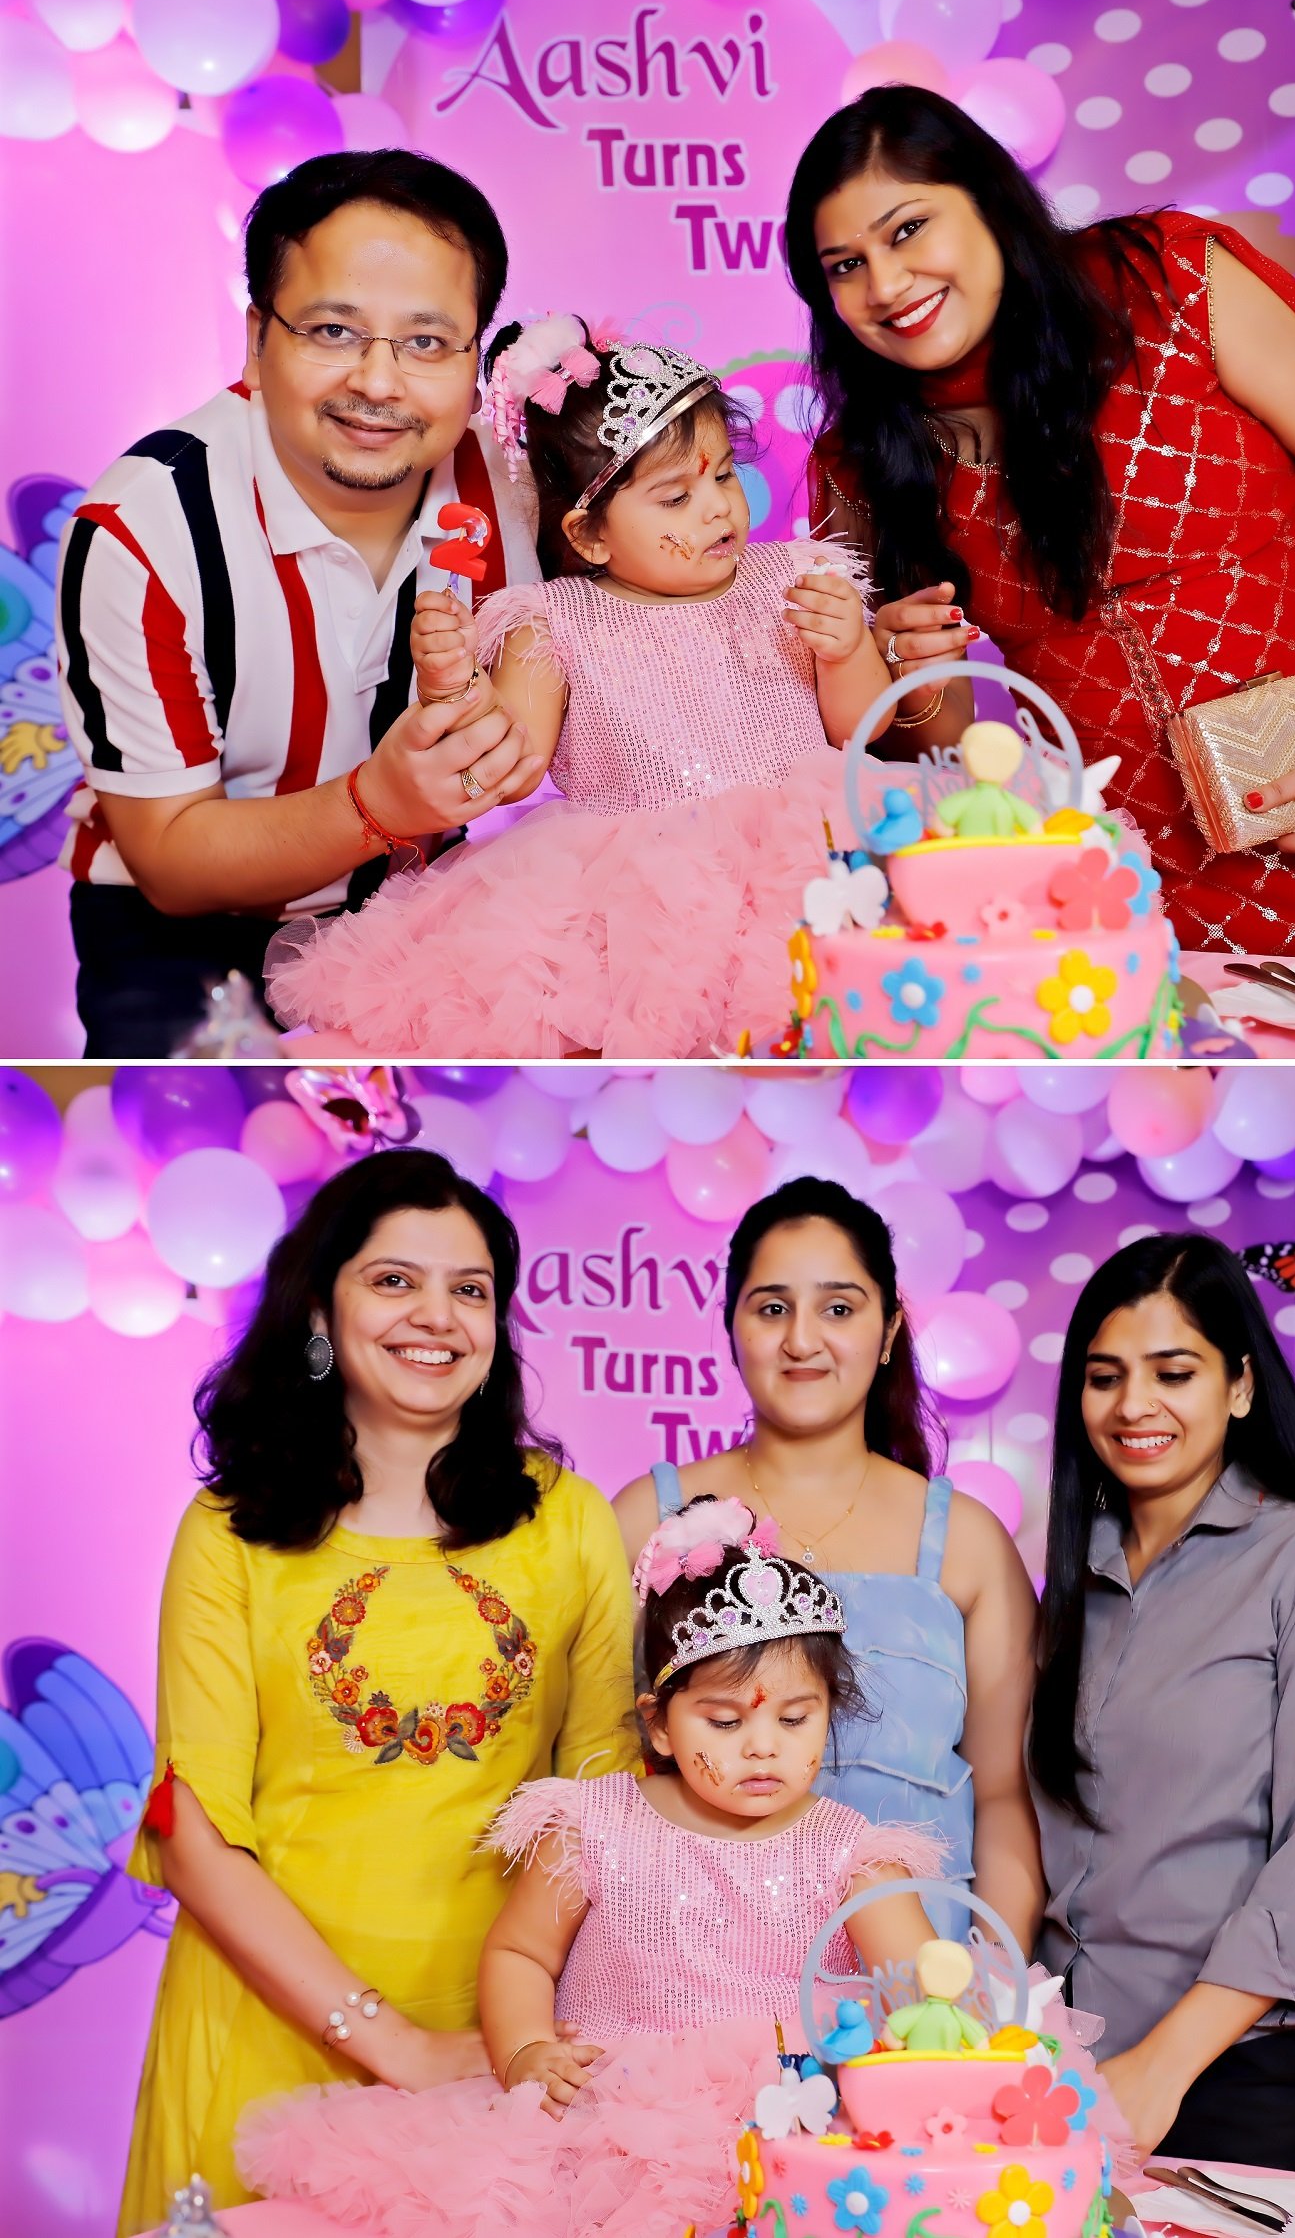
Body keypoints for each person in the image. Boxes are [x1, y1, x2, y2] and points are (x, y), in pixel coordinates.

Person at [784, 85, 1295, 963]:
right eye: (844, 265)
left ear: (989, 200)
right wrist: (912, 672)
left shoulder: (1166, 285)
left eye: (906, 230)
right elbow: (935, 754)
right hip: (1124, 895)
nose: (886, 286)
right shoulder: (867, 460)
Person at [118, 1150, 636, 2234]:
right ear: (320, 1306)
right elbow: (196, 1833)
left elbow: (604, 1807)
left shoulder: (569, 1520)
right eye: (395, 1280)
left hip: (495, 2046)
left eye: (470, 1289)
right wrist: (393, 2043)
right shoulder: (230, 1532)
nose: (436, 1316)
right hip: (264, 2032)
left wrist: (513, 2033)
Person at [236, 1496, 942, 2238]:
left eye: (795, 1719)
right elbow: (520, 1952)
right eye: (725, 1721)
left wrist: (928, 2019)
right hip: (602, 2134)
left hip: (788, 2137)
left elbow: (927, 1994)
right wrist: (523, 2048)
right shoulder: (595, 1825)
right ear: (659, 1725)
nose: (763, 1745)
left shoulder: (849, 1854)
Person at [262, 318, 901, 1058]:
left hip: (807, 854)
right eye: (675, 497)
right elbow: (508, 768)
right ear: (590, 534)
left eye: (724, 475)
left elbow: (861, 728)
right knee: (655, 1040)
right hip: (643, 901)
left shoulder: (795, 578)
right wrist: (450, 682)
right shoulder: (552, 623)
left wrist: (846, 649)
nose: (718, 507)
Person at [57, 149, 541, 1058]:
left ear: (476, 356)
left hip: (421, 911)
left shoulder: (516, 482)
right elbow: (169, 859)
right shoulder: (146, 528)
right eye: (333, 330)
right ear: (256, 339)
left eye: (427, 342)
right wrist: (378, 803)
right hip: (191, 937)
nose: (379, 384)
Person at [1029, 1233, 1295, 2173]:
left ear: (1239, 1385)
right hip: (1066, 2059)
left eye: (1174, 1372)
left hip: (1244, 2063)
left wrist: (1164, 2064)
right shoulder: (1071, 1583)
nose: (1134, 1404)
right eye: (1105, 1376)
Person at [614, 1175, 1044, 1949]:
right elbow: (603, 1777)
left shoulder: (968, 1541)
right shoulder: (648, 1517)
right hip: (702, 1973)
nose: (802, 1339)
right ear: (732, 1326)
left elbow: (1005, 1798)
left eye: (838, 1308)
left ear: (889, 1330)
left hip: (920, 1987)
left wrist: (986, 1981)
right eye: (772, 1308)